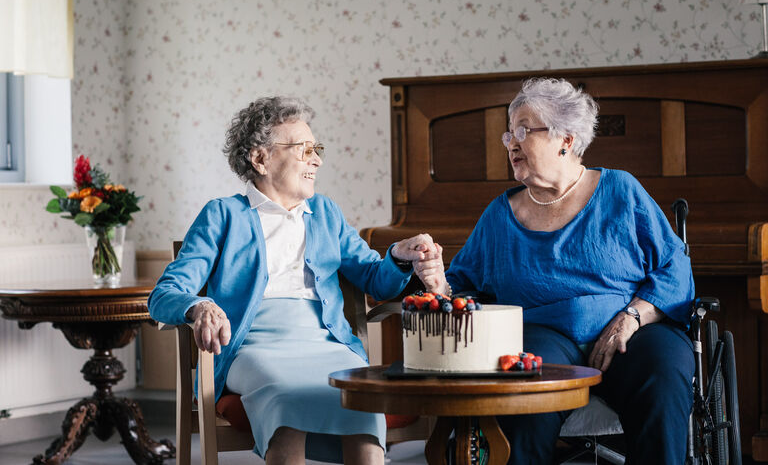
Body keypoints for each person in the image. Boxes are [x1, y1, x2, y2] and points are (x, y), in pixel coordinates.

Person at [413, 78, 695, 465]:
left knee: (663, 372)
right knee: (523, 382)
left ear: (565, 139)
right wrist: (437, 282)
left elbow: (674, 266)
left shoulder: (620, 191)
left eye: (524, 130)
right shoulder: (500, 214)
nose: (512, 142)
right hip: (543, 337)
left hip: (631, 329)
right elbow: (462, 289)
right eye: (509, 133)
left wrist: (632, 317)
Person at [148, 96, 439, 465]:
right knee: (288, 397)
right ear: (260, 159)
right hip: (252, 348)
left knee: (361, 402)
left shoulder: (326, 213)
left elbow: (375, 279)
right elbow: (165, 293)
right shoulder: (222, 215)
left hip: (327, 344)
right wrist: (199, 306)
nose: (316, 160)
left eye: (316, 149)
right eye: (304, 150)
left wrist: (399, 256)